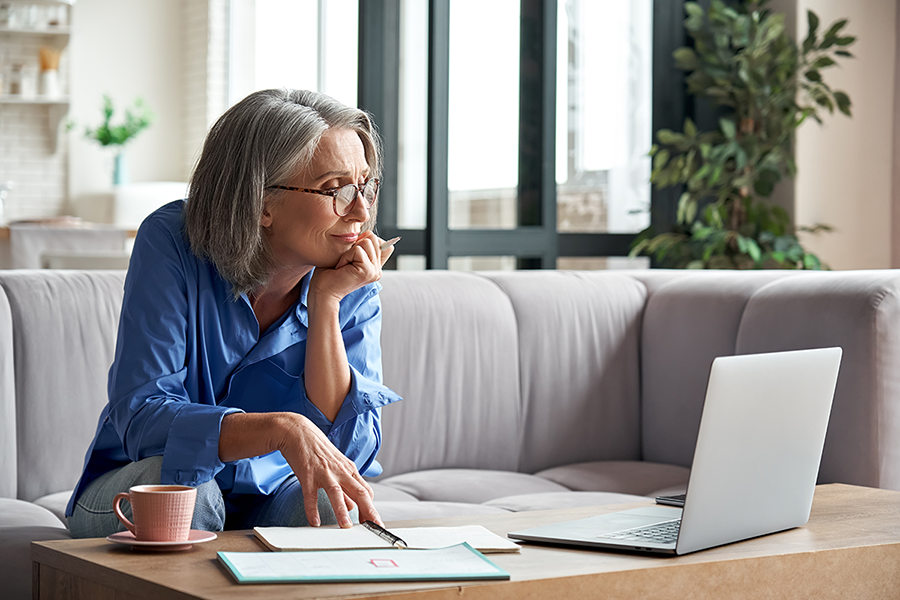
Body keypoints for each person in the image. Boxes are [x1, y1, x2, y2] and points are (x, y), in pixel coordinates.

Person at [66, 89, 402, 537]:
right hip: (142, 483)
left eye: (366, 185)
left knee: (328, 502)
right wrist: (279, 429)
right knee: (190, 492)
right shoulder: (171, 242)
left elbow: (348, 452)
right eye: (335, 189)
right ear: (261, 202)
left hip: (270, 494)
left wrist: (326, 304)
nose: (360, 211)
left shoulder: (349, 274)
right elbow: (142, 417)